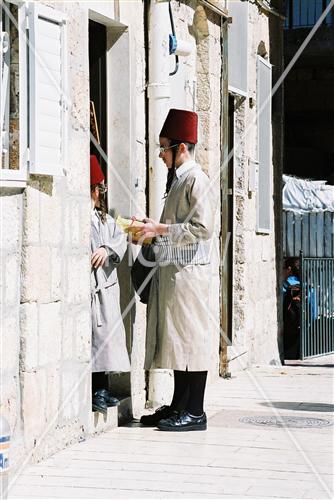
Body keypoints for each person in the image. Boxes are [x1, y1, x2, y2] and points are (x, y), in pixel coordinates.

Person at [134, 109, 214, 431]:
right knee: (177, 341)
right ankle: (179, 404)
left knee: (191, 340)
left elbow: (204, 227)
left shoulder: (196, 180)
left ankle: (195, 411)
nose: (161, 155)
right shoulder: (179, 180)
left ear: (181, 148)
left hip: (190, 274)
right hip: (175, 271)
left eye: (164, 148)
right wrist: (150, 230)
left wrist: (161, 231)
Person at [90, 155, 130, 414]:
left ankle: (103, 388)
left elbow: (120, 238)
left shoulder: (103, 218)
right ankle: (95, 390)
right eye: (98, 189)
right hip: (93, 287)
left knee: (107, 340)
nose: (99, 195)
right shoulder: (83, 218)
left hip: (106, 285)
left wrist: (107, 248)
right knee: (95, 339)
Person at [282, 257, 301, 360]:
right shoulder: (305, 283)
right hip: (301, 323)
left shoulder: (286, 284)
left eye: (283, 268)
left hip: (289, 322)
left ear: (289, 269)